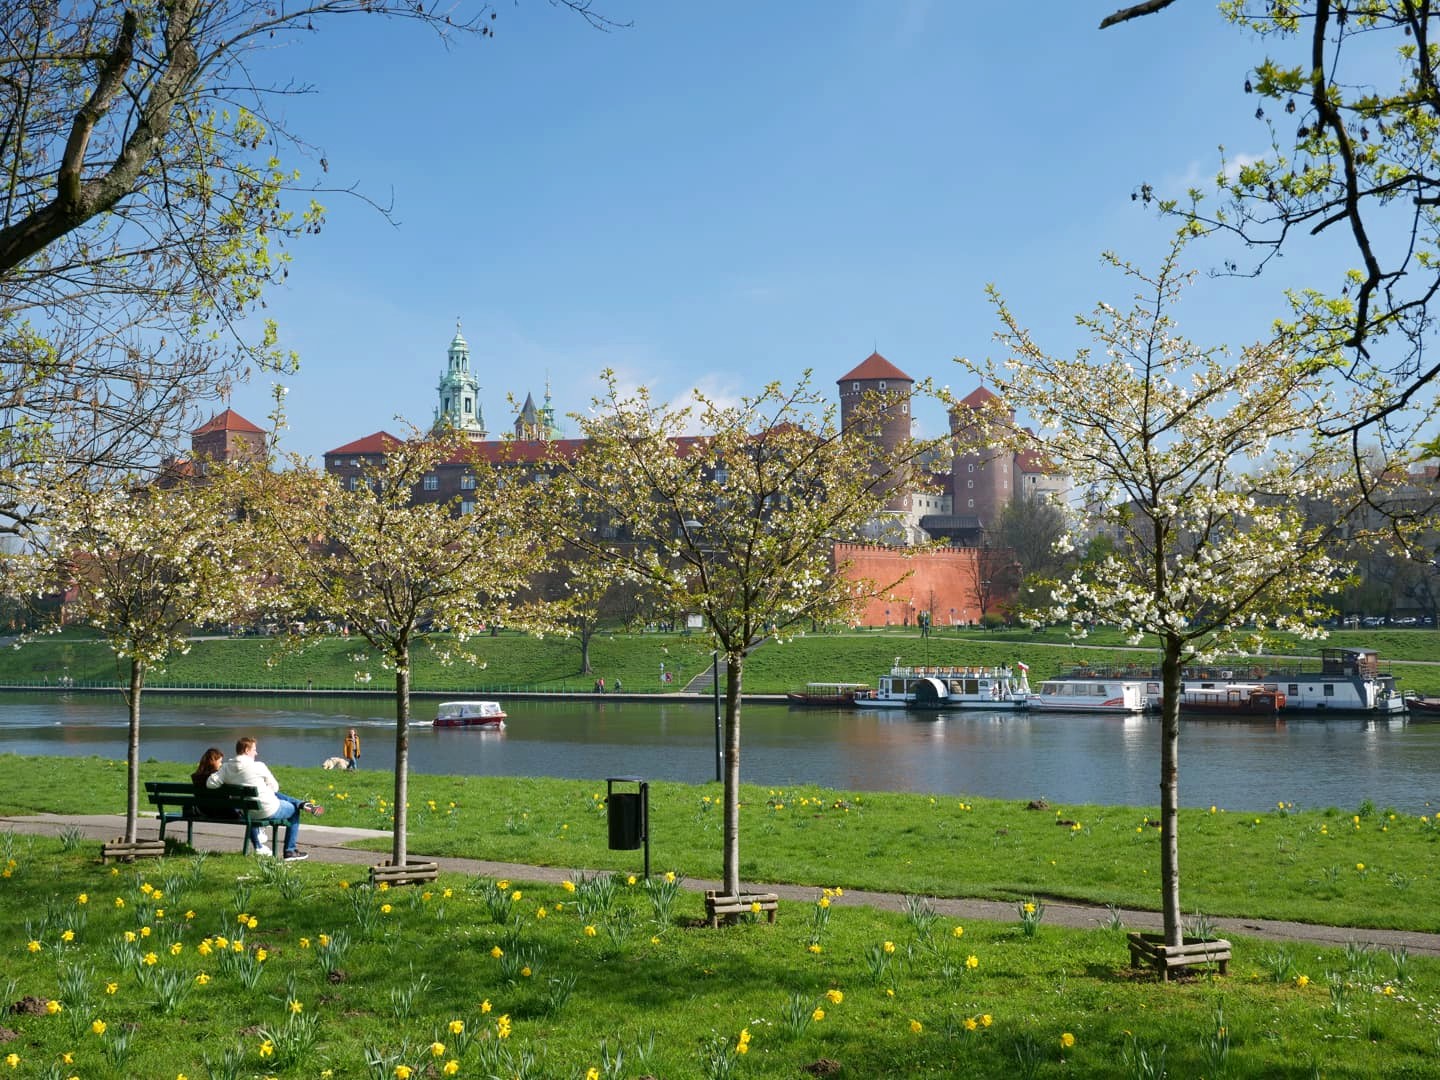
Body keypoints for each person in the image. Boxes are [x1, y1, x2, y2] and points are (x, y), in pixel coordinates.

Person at [206, 737, 322, 860]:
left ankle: (300, 803)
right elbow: (275, 787)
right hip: (267, 810)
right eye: (254, 750)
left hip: (246, 812)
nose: (256, 753)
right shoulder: (259, 766)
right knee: (294, 810)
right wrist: (264, 789)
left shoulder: (226, 768)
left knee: (266, 795)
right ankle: (290, 850)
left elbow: (210, 783)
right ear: (246, 750)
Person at [192, 747, 268, 854]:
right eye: (220, 761)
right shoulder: (218, 777)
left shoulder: (196, 777)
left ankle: (259, 838)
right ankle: (258, 845)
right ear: (213, 762)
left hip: (204, 811)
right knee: (248, 812)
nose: (221, 764)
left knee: (245, 809)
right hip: (223, 812)